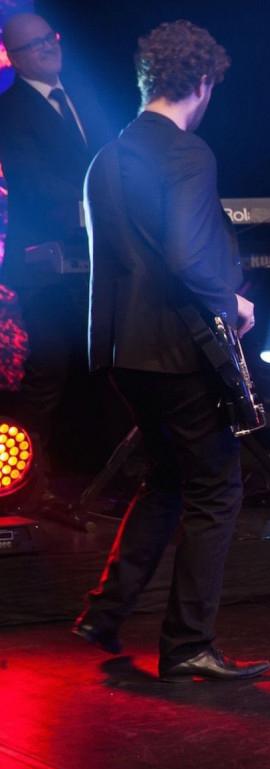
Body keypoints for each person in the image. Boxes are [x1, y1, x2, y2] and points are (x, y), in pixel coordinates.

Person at [72, 21, 270, 682]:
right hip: (175, 350)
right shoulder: (189, 154)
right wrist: (232, 301)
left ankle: (104, 613)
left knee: (166, 479)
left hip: (121, 353)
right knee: (218, 487)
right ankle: (188, 644)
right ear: (205, 82)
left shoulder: (109, 155)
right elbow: (187, 254)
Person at [0, 12, 111, 454]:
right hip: (42, 261)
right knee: (49, 364)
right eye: (35, 45)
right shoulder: (8, 110)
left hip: (98, 254)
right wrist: (95, 204)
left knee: (101, 366)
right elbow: (32, 180)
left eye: (51, 38)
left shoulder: (85, 96)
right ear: (14, 57)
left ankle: (97, 466)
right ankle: (29, 474)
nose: (48, 47)